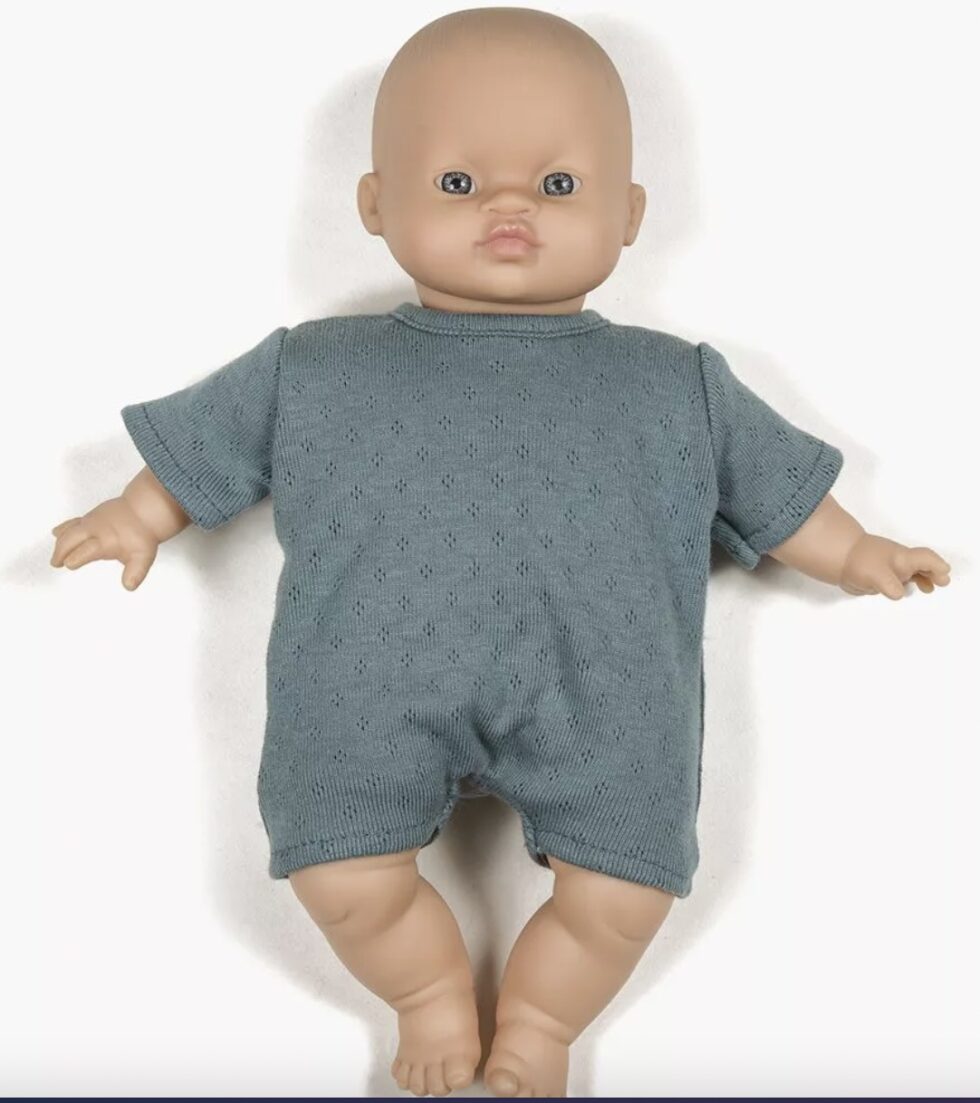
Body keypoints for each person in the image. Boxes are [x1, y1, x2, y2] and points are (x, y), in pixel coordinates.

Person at [49, 7, 952, 1097]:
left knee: (623, 890)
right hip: (364, 688)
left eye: (558, 185)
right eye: (458, 182)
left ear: (629, 215)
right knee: (340, 872)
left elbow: (774, 488)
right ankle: (427, 992)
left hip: (605, 695)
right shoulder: (314, 368)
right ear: (375, 205)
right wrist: (136, 514)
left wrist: (858, 552)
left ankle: (539, 1019)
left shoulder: (676, 383)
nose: (509, 207)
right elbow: (208, 447)